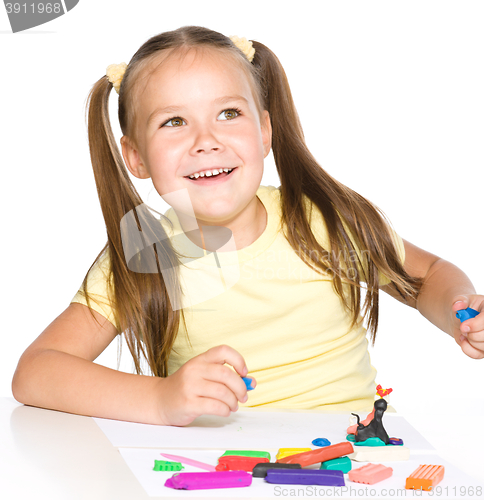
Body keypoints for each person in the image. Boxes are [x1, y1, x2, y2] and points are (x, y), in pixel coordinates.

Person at [12, 26, 483, 427]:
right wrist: (159, 399)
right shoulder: (145, 253)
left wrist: (461, 311)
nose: (206, 141)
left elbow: (427, 277)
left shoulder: (322, 221)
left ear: (264, 130)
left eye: (228, 114)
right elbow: (36, 372)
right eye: (174, 121)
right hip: (221, 469)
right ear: (135, 156)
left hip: (354, 453)